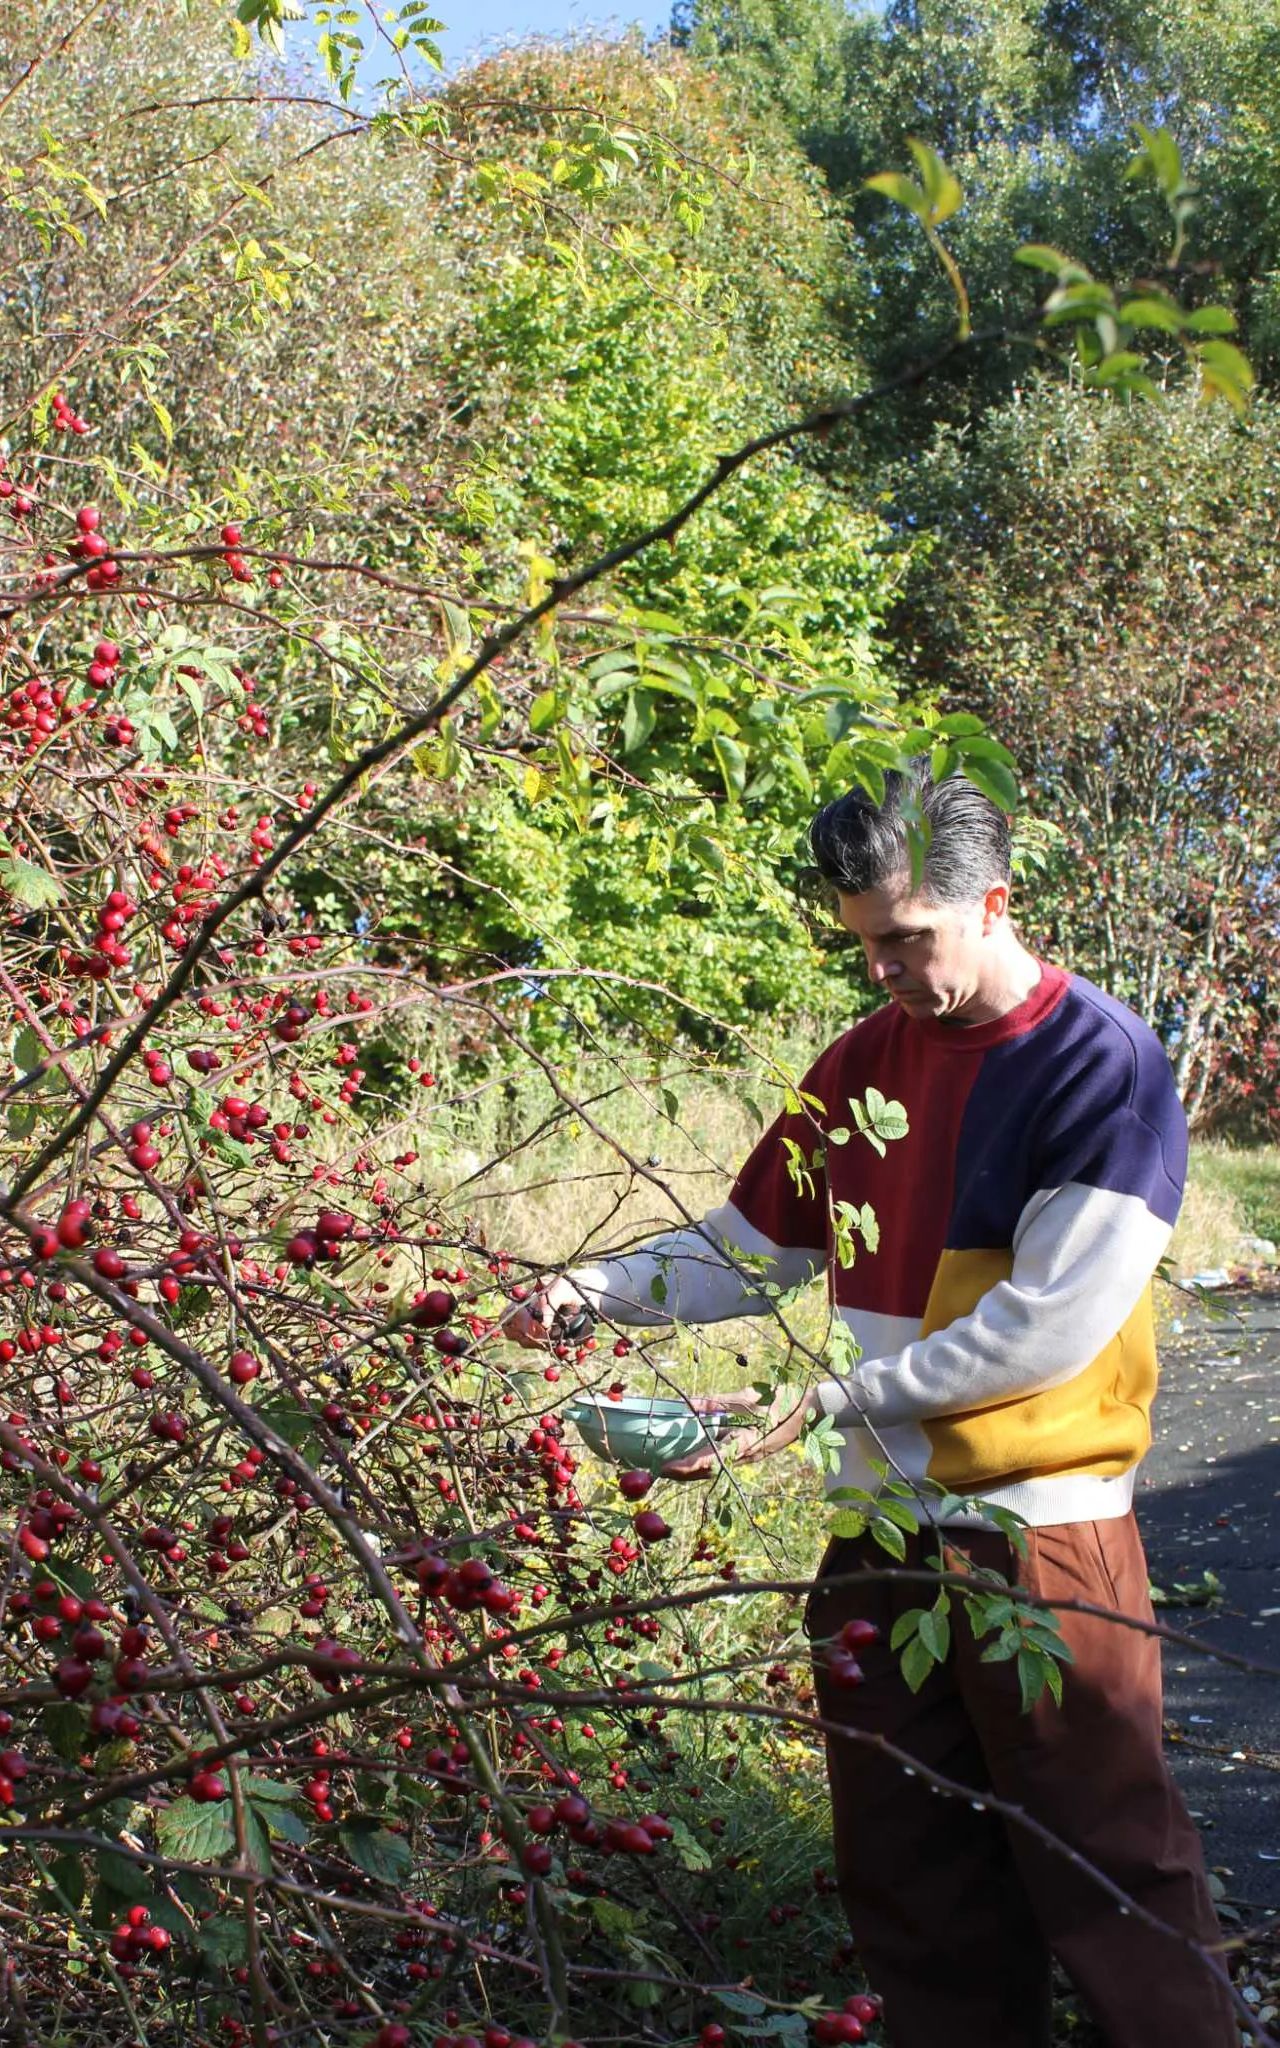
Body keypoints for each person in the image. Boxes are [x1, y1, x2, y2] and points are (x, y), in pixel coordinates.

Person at [503, 760, 1238, 2048]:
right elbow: (751, 1245)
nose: (882, 969)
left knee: (1117, 1885)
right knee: (915, 1895)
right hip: (881, 1543)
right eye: (863, 945)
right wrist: (594, 1287)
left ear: (994, 902)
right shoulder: (862, 1063)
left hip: (1040, 1544)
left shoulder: (1100, 1068)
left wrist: (819, 1397)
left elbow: (1041, 1335)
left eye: (906, 938)